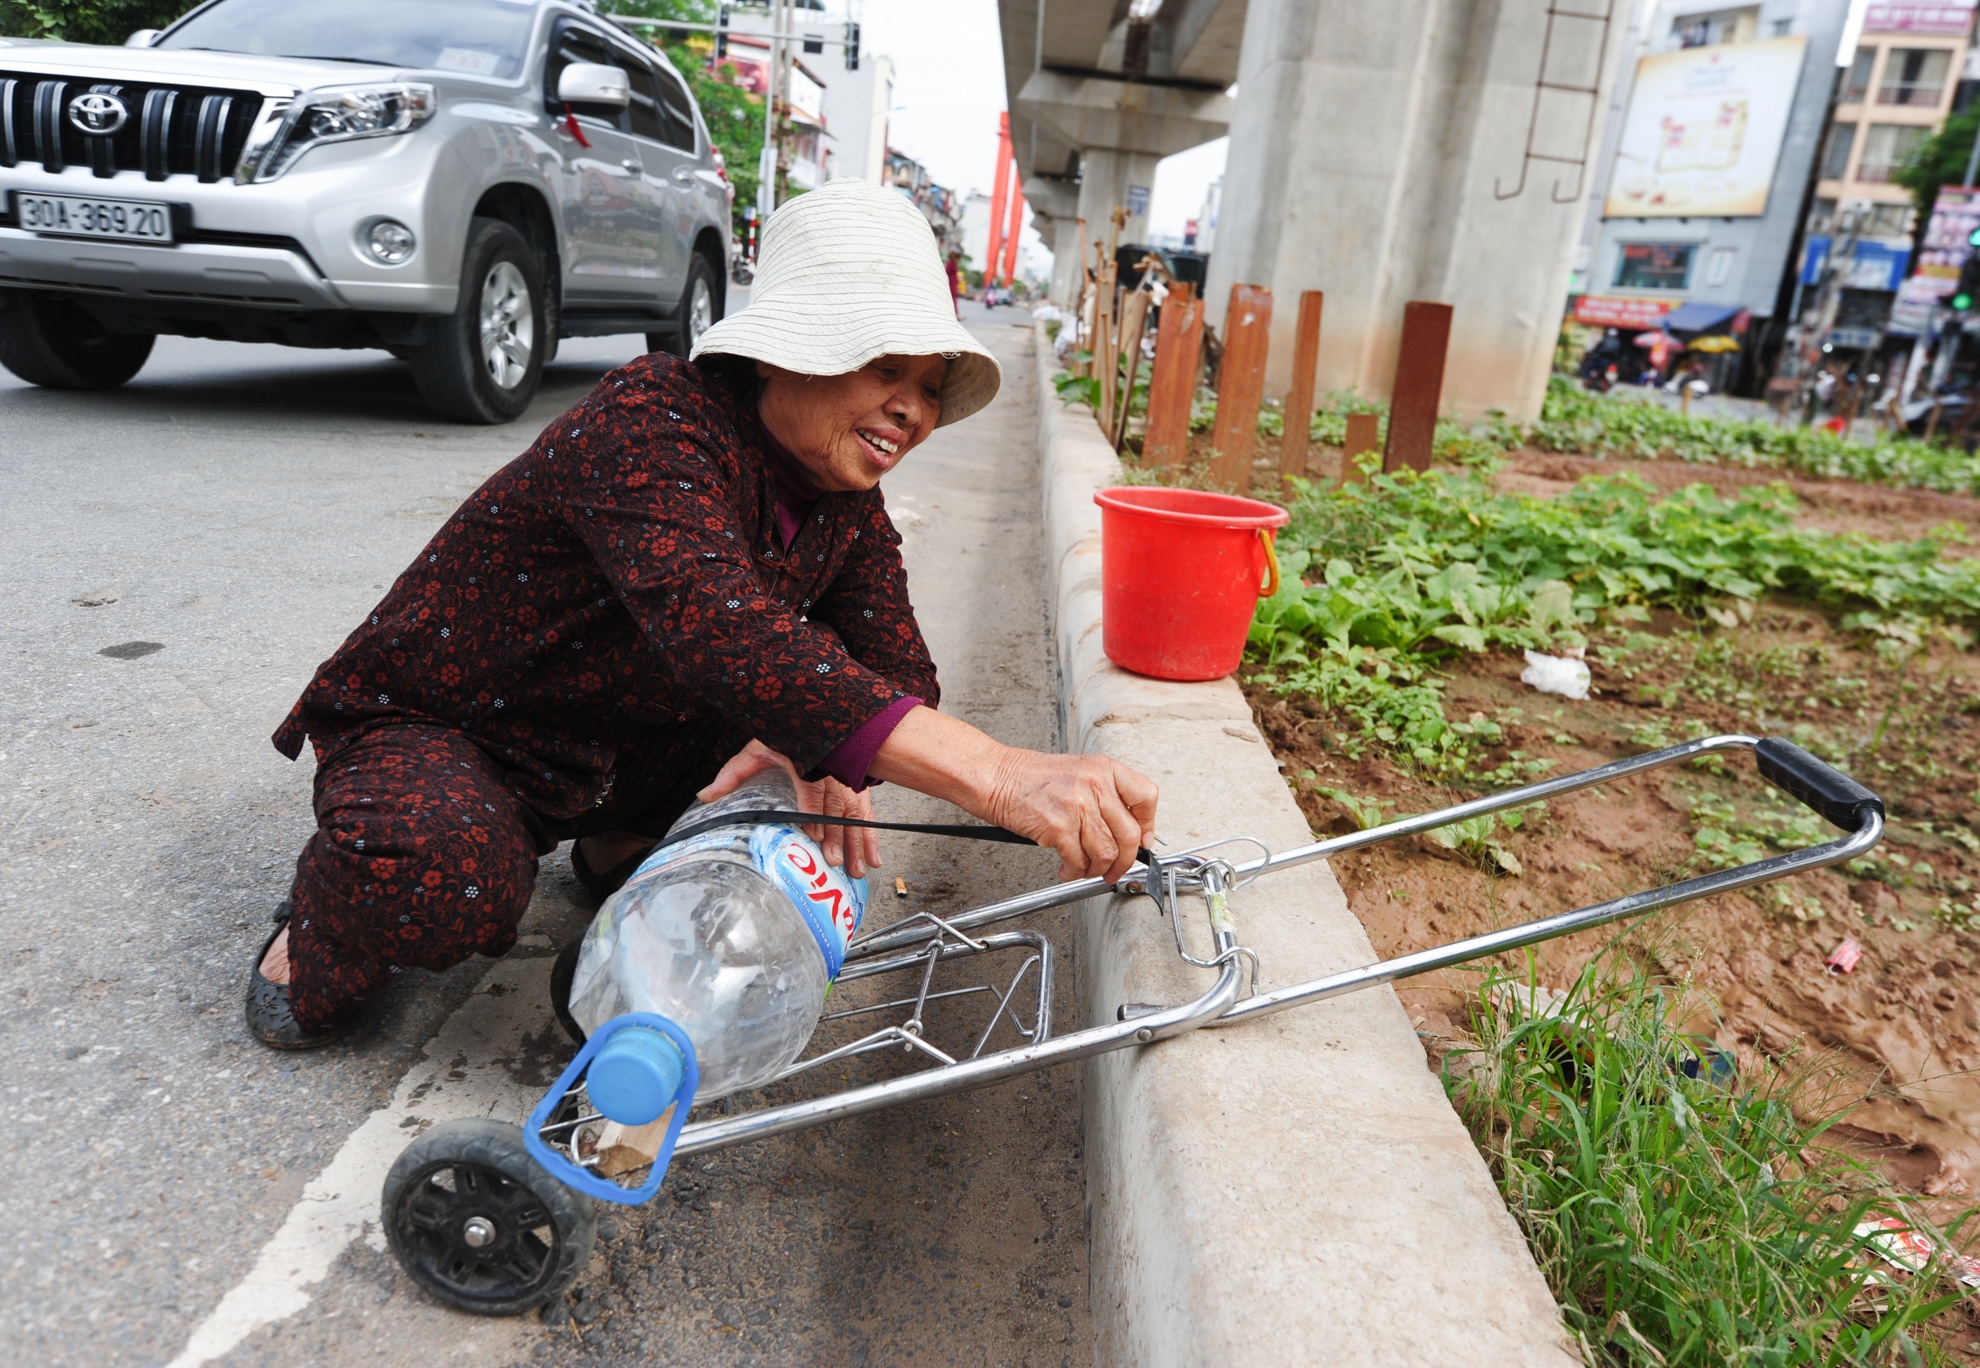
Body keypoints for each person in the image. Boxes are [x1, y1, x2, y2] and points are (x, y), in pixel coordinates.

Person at [246, 180, 1160, 1049]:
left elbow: (897, 671)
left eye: (928, 387)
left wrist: (812, 742)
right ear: (784, 351)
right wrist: (1000, 777)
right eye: (886, 368)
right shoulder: (652, 419)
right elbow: (725, 632)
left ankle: (613, 839)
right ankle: (335, 900)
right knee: (443, 882)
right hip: (459, 726)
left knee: (811, 753)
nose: (912, 412)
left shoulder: (845, 503)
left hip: (619, 741)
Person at [944, 248, 964, 316]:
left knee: (953, 299)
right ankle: (955, 314)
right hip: (951, 284)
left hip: (953, 284)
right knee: (952, 299)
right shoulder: (950, 263)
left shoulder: (953, 264)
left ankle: (955, 314)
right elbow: (947, 273)